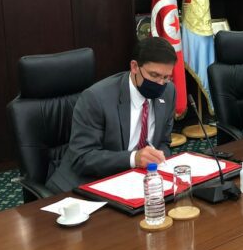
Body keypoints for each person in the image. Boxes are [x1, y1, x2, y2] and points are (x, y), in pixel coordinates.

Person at [46, 37, 176, 192]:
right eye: (154, 75)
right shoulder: (96, 98)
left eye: (166, 77)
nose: (161, 83)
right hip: (86, 184)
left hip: (137, 182)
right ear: (134, 67)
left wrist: (157, 159)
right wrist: (133, 159)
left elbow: (163, 142)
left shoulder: (169, 92)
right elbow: (82, 157)